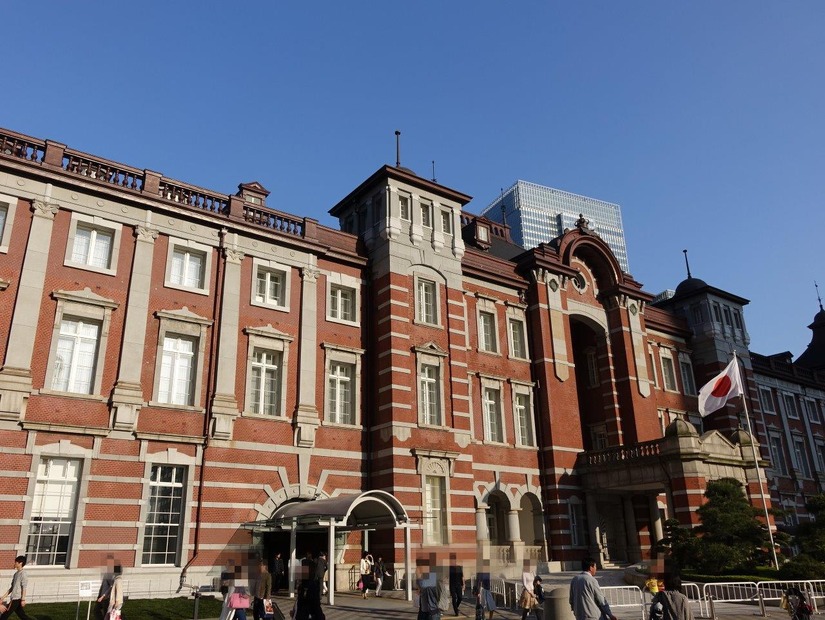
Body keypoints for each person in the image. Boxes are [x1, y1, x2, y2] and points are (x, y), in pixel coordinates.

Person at [0, 555, 32, 620]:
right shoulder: (16, 574)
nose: (14, 564)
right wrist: (3, 597)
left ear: (20, 563)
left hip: (16, 599)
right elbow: (12, 587)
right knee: (22, 615)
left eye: (16, 562)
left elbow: (24, 587)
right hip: (14, 598)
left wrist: (23, 600)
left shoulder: (23, 574)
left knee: (4, 615)